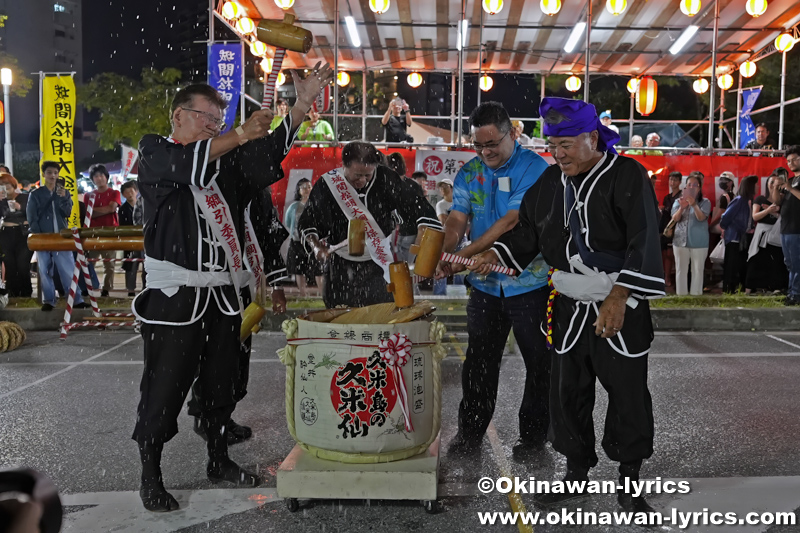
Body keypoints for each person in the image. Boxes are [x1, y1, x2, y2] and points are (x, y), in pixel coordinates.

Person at [131, 64, 333, 513]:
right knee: (164, 387)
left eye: (217, 121)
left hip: (223, 296)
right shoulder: (156, 151)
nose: (213, 126)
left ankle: (218, 457)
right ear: (179, 116)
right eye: (207, 117)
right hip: (175, 299)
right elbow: (188, 167)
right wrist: (240, 133)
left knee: (222, 384)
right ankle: (151, 472)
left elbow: (262, 163)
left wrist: (298, 108)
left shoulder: (226, 163)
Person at [471, 97, 664, 515]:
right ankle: (575, 476)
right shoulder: (551, 181)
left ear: (592, 138)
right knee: (568, 392)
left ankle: (629, 483)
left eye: (566, 145)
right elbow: (528, 233)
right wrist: (496, 255)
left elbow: (644, 240)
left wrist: (620, 296)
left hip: (618, 302)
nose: (557, 155)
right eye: (552, 145)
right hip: (568, 305)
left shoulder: (628, 176)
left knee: (627, 394)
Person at [436, 101, 551, 460]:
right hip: (485, 287)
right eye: (478, 145)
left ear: (512, 134)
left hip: (529, 283)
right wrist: (444, 248)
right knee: (479, 361)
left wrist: (464, 256)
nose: (486, 152)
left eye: (493, 144)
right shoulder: (469, 173)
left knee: (539, 362)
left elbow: (510, 222)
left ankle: (533, 438)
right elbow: (457, 219)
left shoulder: (534, 168)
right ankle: (470, 433)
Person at [297, 141, 440, 308]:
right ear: (344, 165)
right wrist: (316, 247)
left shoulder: (386, 178)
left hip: (378, 262)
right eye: (357, 175)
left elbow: (417, 205)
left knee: (381, 315)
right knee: (339, 316)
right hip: (340, 264)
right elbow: (307, 221)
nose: (363, 181)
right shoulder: (328, 184)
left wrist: (426, 236)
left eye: (368, 175)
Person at [26, 162, 89, 312]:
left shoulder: (65, 192)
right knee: (45, 270)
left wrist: (62, 198)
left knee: (68, 268)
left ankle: (75, 299)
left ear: (58, 174)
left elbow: (67, 212)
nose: (52, 176)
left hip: (62, 236)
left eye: (55, 172)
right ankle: (49, 300)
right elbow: (31, 216)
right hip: (43, 237)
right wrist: (38, 234)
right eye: (49, 172)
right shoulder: (35, 194)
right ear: (43, 174)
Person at [746, 172, 788, 294]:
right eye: (772, 183)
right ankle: (748, 289)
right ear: (767, 184)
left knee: (776, 262)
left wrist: (775, 214)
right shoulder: (761, 199)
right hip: (762, 234)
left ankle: (775, 288)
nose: (774, 185)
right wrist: (768, 210)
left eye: (777, 183)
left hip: (777, 235)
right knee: (755, 260)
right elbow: (755, 216)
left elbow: (785, 216)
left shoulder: (783, 200)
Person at [670, 171, 710, 296]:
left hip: (699, 242)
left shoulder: (705, 202)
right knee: (681, 270)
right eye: (689, 185)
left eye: (695, 185)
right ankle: (681, 297)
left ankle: (696, 296)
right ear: (685, 187)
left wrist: (694, 205)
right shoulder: (678, 201)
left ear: (699, 188)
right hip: (680, 241)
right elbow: (674, 219)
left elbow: (701, 217)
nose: (692, 187)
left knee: (697, 270)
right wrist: (682, 208)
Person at [284, 178, 324, 297]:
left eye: (309, 186)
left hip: (313, 242)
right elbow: (288, 222)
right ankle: (303, 294)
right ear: (299, 190)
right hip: (297, 242)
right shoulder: (294, 207)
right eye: (304, 187)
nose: (307, 189)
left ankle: (323, 294)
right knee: (298, 269)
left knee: (318, 269)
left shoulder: (316, 203)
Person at [85, 164, 121, 297]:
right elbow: (88, 214)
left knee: (109, 265)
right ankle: (90, 288)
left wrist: (94, 211)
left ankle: (106, 290)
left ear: (106, 177)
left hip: (110, 234)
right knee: (90, 263)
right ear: (92, 179)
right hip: (92, 234)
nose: (99, 178)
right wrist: (104, 210)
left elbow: (111, 209)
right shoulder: (89, 195)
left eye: (101, 175)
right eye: (96, 176)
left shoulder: (114, 192)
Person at [771, 146, 800, 305]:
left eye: (794, 159)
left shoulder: (793, 183)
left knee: (797, 264)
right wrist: (775, 187)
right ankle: (792, 292)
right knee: (790, 264)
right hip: (786, 228)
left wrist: (789, 188)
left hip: (797, 229)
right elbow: (777, 201)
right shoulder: (791, 180)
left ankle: (796, 295)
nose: (791, 163)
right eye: (788, 161)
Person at [721, 175, 757, 294]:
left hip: (742, 237)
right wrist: (729, 228)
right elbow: (725, 217)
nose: (757, 187)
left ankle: (735, 289)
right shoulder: (739, 200)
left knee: (739, 265)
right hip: (734, 237)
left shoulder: (747, 200)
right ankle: (728, 290)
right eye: (755, 185)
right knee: (731, 266)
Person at [0, 173, 33, 297]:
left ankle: (26, 292)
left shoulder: (25, 197)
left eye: (6, 184)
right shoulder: (1, 201)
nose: (4, 187)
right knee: (10, 264)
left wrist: (20, 207)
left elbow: (33, 212)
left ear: (13, 184)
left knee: (23, 264)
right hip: (6, 234)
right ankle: (12, 292)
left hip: (23, 233)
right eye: (1, 185)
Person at [118, 181, 142, 297]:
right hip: (130, 240)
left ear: (136, 191)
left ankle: (146, 287)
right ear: (123, 195)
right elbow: (122, 226)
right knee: (131, 265)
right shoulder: (123, 209)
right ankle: (130, 289)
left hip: (143, 240)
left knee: (146, 264)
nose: (129, 194)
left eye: (131, 191)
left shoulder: (143, 205)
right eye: (126, 192)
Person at [659, 171, 682, 288]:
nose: (672, 182)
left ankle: (674, 279)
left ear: (680, 182)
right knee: (665, 254)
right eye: (671, 180)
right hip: (666, 228)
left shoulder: (681, 196)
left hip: (678, 229)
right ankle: (666, 277)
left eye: (675, 180)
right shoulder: (667, 197)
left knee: (673, 255)